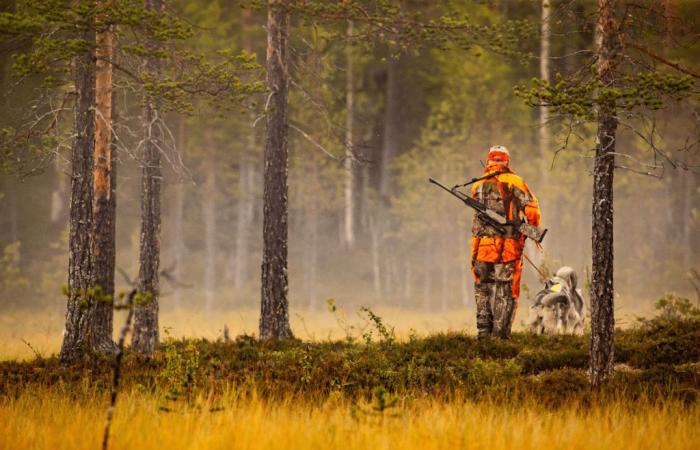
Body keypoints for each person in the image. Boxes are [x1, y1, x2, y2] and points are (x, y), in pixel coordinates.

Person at [470, 145, 541, 338]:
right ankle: (500, 336)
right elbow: (532, 209)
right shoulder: (516, 182)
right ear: (506, 161)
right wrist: (529, 227)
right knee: (505, 289)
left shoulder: (477, 185)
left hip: (481, 249)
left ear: (488, 161)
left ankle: (483, 332)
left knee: (482, 287)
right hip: (506, 248)